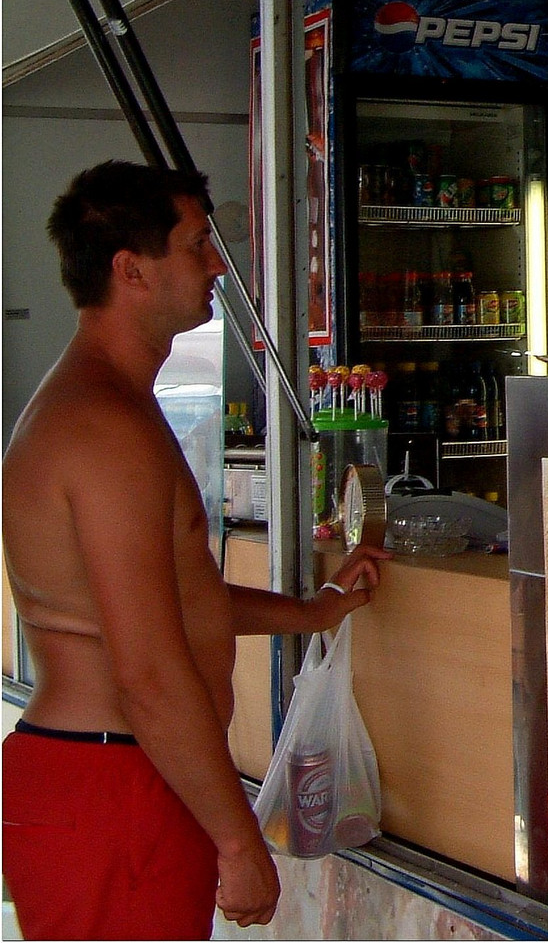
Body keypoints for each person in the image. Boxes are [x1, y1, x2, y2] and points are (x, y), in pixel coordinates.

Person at [2, 161, 392, 939]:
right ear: (131, 270)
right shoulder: (104, 429)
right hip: (115, 778)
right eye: (197, 243)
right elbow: (146, 670)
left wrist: (314, 612)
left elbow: (179, 603)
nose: (218, 263)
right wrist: (236, 837)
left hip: (117, 774)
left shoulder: (109, 409)